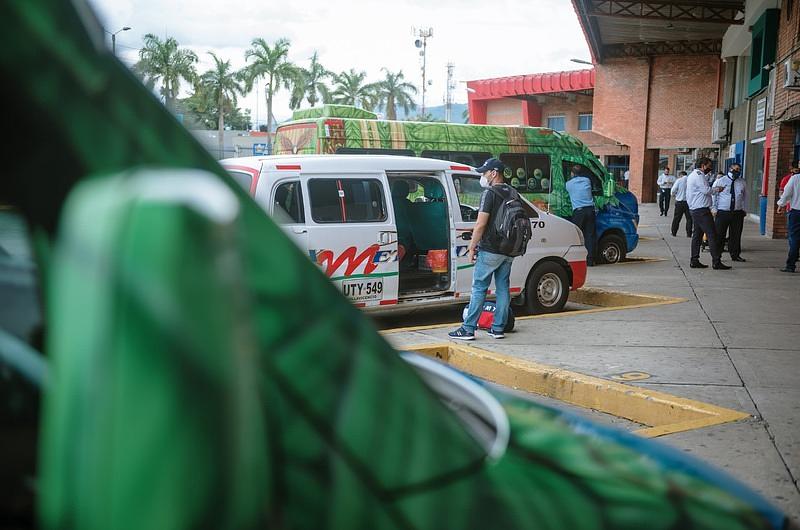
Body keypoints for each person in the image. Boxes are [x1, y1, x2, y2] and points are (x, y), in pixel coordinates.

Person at [449, 158, 516, 340]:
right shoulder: (513, 192)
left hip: (491, 248)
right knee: (503, 287)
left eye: (485, 173)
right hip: (509, 249)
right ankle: (498, 329)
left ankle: (468, 329)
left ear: (494, 173)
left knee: (479, 287)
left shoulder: (490, 193)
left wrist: (471, 248)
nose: (483, 176)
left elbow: (480, 224)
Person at [686, 157, 731, 270]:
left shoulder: (693, 175)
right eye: (709, 166)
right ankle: (716, 261)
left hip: (695, 209)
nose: (710, 168)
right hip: (701, 210)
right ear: (703, 165)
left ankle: (694, 259)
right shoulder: (699, 176)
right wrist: (717, 189)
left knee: (697, 235)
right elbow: (706, 190)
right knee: (712, 235)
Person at [712, 163, 747, 262]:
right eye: (735, 169)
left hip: (737, 212)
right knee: (720, 235)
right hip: (723, 212)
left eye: (739, 169)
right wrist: (714, 209)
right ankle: (717, 255)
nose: (737, 171)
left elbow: (745, 196)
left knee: (736, 235)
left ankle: (735, 254)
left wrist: (744, 208)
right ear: (730, 169)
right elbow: (713, 195)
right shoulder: (721, 181)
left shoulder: (742, 182)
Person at [565, 164, 597, 266]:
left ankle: (575, 258)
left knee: (576, 235)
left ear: (572, 173)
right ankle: (590, 260)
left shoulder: (568, 184)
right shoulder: (587, 180)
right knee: (590, 235)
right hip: (590, 210)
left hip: (579, 212)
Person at [777, 170, 800, 273]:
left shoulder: (795, 178)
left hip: (796, 212)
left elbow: (786, 193)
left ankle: (791, 265)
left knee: (794, 238)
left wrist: (781, 205)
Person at [670, 170, 692, 237]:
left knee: (677, 218)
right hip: (688, 203)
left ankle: (674, 232)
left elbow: (673, 190)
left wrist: (674, 194)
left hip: (680, 202)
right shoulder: (690, 180)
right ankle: (689, 233)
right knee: (689, 219)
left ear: (681, 175)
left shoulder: (679, 180)